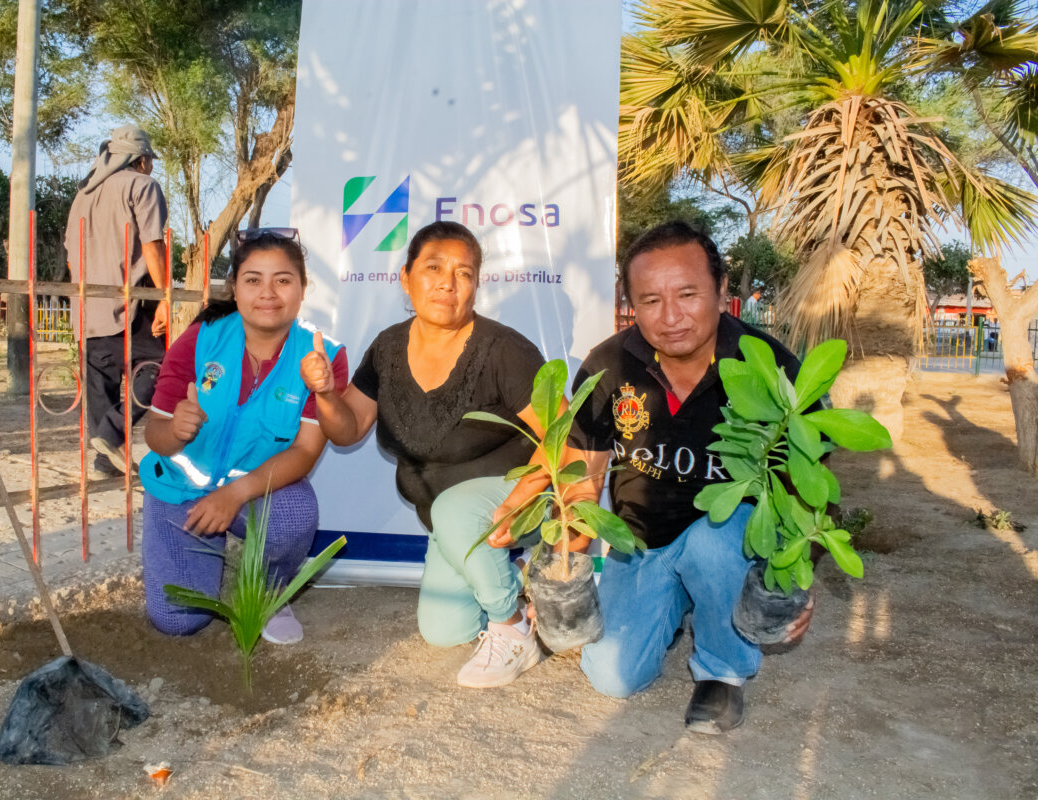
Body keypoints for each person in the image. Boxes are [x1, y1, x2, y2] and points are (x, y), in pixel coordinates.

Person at [560, 221, 813, 734]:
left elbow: (805, 487)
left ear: (722, 292)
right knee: (612, 675)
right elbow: (582, 472)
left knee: (717, 538)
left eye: (688, 294)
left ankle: (722, 669)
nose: (670, 317)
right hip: (640, 541)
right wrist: (565, 555)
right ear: (631, 303)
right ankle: (672, 605)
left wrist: (797, 577)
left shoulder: (769, 366)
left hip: (727, 540)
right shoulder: (609, 365)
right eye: (650, 300)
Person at [301, 220, 550, 688]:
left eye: (464, 273)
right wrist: (326, 396)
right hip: (447, 517)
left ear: (476, 284)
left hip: (516, 499)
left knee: (455, 511)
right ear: (405, 277)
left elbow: (559, 439)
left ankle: (513, 627)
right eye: (434, 267)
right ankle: (521, 569)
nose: (448, 283)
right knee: (443, 631)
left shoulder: (504, 350)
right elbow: (347, 429)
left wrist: (521, 502)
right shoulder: (388, 347)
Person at [139, 229, 347, 644]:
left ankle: (268, 588)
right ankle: (207, 554)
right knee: (179, 620)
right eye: (253, 280)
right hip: (181, 492)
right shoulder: (200, 340)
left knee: (293, 516)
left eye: (283, 280)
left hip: (252, 494)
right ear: (234, 289)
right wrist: (175, 430)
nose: (268, 293)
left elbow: (306, 450)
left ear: (303, 289)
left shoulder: (324, 356)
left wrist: (233, 495)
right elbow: (155, 438)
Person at [63, 124, 170, 479]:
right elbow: (153, 244)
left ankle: (105, 460)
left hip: (86, 306)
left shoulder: (82, 195)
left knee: (100, 385)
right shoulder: (142, 186)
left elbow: (69, 256)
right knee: (159, 369)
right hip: (131, 303)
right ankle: (110, 436)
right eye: (149, 161)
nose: (151, 167)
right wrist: (165, 296)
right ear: (140, 160)